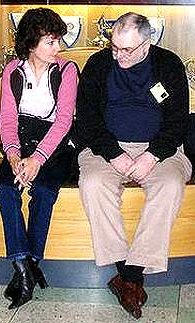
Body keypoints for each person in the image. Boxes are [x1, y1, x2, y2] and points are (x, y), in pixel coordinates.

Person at [76, 12, 192, 319]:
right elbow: (87, 119)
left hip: (160, 151)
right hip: (107, 149)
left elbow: (179, 119)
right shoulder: (99, 65)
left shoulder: (168, 64)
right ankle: (126, 275)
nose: (119, 55)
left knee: (169, 186)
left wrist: (152, 154)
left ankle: (131, 273)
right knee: (93, 184)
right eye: (115, 47)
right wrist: (114, 153)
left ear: (148, 42)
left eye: (127, 50)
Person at [0, 8, 78, 309]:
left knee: (43, 192)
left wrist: (37, 159)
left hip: (55, 147)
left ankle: (30, 263)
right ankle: (23, 267)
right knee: (5, 188)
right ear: (31, 44)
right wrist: (15, 157)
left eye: (59, 41)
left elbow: (64, 121)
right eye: (51, 42)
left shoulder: (67, 71)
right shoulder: (12, 71)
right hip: (19, 141)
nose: (59, 48)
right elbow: (6, 120)